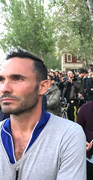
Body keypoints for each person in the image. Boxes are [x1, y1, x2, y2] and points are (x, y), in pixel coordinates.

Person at [0, 49, 86, 179]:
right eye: (1, 80)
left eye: (17, 79)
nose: (4, 88)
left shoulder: (68, 135)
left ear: (43, 87)